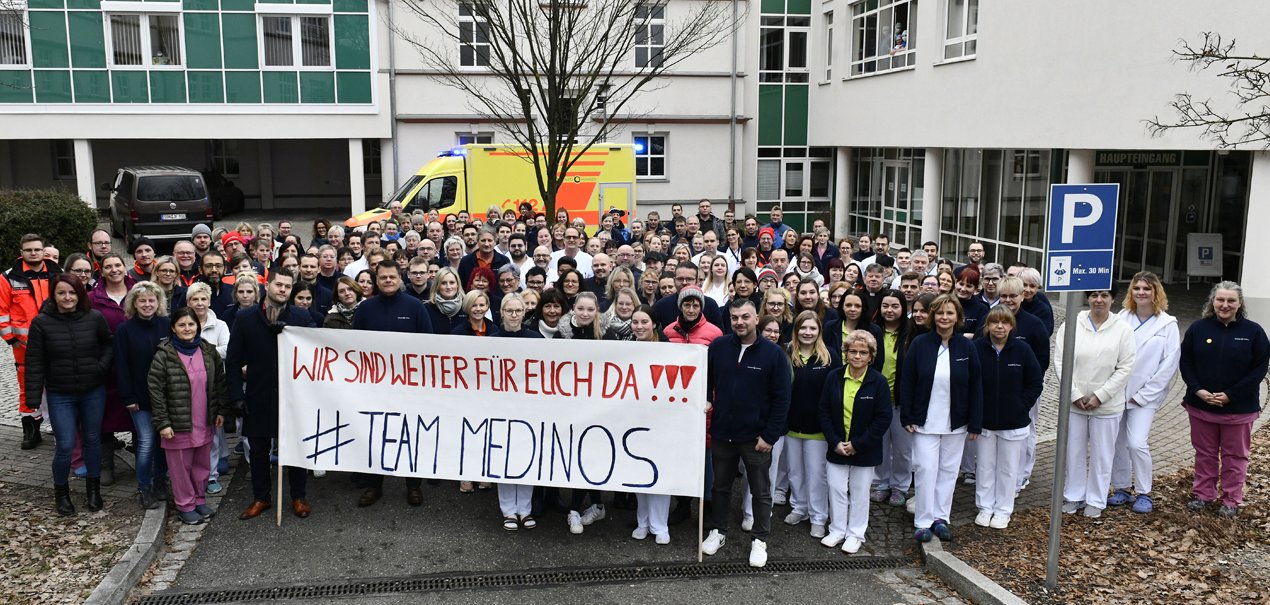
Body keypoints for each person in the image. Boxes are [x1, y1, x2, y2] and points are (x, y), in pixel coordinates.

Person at [701, 299, 792, 569]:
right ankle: (718, 531)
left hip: (756, 437)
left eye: (745, 317)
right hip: (723, 433)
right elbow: (706, 380)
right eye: (734, 317)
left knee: (760, 491)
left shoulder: (774, 354)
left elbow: (782, 399)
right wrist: (707, 400)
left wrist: (770, 436)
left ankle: (760, 539)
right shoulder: (718, 347)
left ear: (756, 319)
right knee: (720, 487)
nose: (739, 322)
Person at [227, 269, 317, 520]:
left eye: (288, 286)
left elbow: (314, 350)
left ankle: (298, 497)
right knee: (258, 450)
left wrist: (291, 333)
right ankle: (261, 497)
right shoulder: (245, 317)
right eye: (279, 285)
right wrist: (236, 396)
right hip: (258, 393)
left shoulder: (300, 316)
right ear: (267, 285)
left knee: (295, 449)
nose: (283, 290)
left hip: (292, 396)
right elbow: (233, 360)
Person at [1178, 281, 1269, 518]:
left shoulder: (1254, 332)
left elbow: (1259, 369)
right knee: (1205, 453)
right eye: (1220, 300)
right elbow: (1186, 362)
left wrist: (1231, 395)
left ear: (1240, 304)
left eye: (1231, 300)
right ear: (1213, 301)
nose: (1225, 305)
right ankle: (1203, 494)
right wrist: (1197, 390)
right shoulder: (1198, 329)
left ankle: (1231, 499)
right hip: (1201, 405)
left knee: (1235, 456)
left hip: (1238, 409)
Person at [26, 274, 113, 514]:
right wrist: (33, 397)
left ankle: (93, 490)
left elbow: (108, 344)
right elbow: (34, 361)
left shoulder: (94, 317)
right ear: (53, 295)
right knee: (64, 444)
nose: (67, 297)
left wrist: (101, 367)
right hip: (60, 394)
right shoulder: (41, 323)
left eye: (72, 292)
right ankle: (61, 493)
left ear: (80, 294)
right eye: (61, 293)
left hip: (92, 390)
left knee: (92, 440)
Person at [899, 294, 982, 543]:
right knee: (925, 469)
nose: (944, 317)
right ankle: (923, 521)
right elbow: (907, 381)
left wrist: (975, 422)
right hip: (924, 421)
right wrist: (907, 415)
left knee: (948, 471)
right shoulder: (920, 344)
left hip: (956, 422)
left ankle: (940, 518)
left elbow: (976, 385)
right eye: (940, 313)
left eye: (949, 313)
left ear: (957, 317)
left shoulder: (966, 346)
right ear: (933, 316)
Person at [353, 262, 432, 507]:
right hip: (374, 384)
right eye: (383, 277)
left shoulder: (415, 306)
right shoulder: (365, 308)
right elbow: (353, 345)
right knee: (375, 433)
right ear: (376, 281)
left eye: (392, 277)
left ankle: (414, 485)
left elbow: (429, 345)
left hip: (409, 385)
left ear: (400, 278)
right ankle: (374, 485)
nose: (388, 281)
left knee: (410, 433)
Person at [1054, 288, 1135, 519]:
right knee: (1074, 452)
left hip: (1107, 406)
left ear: (1113, 298)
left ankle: (1096, 499)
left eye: (1105, 295)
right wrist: (1074, 394)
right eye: (1094, 295)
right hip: (1076, 405)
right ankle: (1073, 495)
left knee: (1102, 455)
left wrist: (1101, 395)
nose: (1099, 300)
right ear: (1087, 298)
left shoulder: (1123, 330)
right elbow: (1060, 360)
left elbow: (1125, 367)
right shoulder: (1072, 324)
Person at [1104, 272, 1180, 514]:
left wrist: (1145, 394)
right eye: (1136, 288)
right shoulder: (1121, 318)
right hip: (1117, 392)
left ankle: (1144, 491)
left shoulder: (1167, 324)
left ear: (1156, 292)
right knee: (1118, 443)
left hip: (1145, 396)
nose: (1141, 292)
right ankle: (1122, 488)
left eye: (1147, 288)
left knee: (1137, 443)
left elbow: (1169, 365)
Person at [148, 308, 230, 525]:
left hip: (204, 419)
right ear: (173, 327)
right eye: (182, 325)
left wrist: (221, 411)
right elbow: (156, 391)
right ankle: (185, 505)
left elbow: (220, 383)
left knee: (202, 465)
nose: (187, 328)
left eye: (191, 324)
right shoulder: (164, 354)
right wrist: (163, 423)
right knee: (180, 469)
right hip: (177, 423)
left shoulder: (208, 350)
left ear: (198, 326)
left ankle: (199, 500)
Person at [817, 330, 892, 553]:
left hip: (865, 449)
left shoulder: (878, 382)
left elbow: (883, 418)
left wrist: (858, 444)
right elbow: (823, 411)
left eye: (863, 352)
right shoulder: (834, 377)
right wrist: (835, 442)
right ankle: (837, 530)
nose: (857, 356)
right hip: (837, 446)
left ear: (871, 356)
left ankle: (856, 534)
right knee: (836, 488)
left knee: (859, 492)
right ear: (846, 353)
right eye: (853, 351)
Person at [972, 306, 1042, 529]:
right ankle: (985, 507)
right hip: (985, 421)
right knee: (985, 466)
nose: (999, 327)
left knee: (1008, 468)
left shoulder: (1022, 350)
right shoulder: (977, 348)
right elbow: (969, 382)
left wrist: (1021, 406)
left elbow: (1035, 382)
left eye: (1004, 322)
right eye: (995, 322)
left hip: (1013, 422)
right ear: (988, 325)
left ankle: (1003, 509)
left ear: (1011, 325)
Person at [114, 281, 172, 510]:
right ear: (134, 304)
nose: (147, 304)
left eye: (151, 300)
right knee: (147, 442)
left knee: (164, 442)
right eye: (142, 301)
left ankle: (160, 480)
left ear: (158, 302)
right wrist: (128, 396)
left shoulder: (166, 325)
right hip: (139, 397)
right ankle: (144, 486)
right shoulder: (125, 330)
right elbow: (121, 365)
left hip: (165, 396)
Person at [782, 311, 839, 540]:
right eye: (803, 328)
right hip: (791, 425)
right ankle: (799, 507)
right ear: (796, 331)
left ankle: (818, 517)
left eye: (812, 328)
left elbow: (836, 393)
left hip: (818, 428)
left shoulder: (829, 357)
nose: (807, 332)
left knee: (816, 474)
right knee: (795, 471)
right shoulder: (787, 354)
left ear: (819, 331)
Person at [3, 233, 62, 449]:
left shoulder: (57, 273)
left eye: (37, 249)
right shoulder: (8, 277)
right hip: (24, 345)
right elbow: (1, 311)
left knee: (58, 382)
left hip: (55, 341)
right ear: (21, 252)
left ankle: (59, 425)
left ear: (43, 251)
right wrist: (11, 339)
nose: (33, 253)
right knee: (27, 387)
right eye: (29, 250)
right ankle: (31, 429)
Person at [185, 282, 232, 494]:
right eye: (195, 299)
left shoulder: (220, 325)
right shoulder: (184, 323)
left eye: (203, 299)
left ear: (210, 301)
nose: (199, 303)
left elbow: (226, 350)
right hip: (189, 386)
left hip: (214, 383)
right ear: (188, 302)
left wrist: (198, 350)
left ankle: (211, 475)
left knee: (214, 430)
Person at [870, 290, 911, 508]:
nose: (889, 310)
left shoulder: (910, 333)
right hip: (877, 399)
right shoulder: (873, 330)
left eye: (895, 306)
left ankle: (900, 486)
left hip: (900, 400)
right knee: (880, 444)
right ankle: (881, 483)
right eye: (885, 305)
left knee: (903, 448)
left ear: (903, 308)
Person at [424, 267, 467, 334]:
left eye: (452, 283)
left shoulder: (467, 307)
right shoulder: (426, 308)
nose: (448, 287)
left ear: (457, 284)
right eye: (443, 283)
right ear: (437, 286)